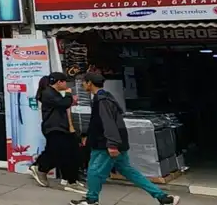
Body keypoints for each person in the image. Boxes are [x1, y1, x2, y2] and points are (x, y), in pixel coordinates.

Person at [71, 73, 179, 205]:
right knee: (129, 172)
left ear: (89, 83)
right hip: (114, 142)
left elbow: (108, 123)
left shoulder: (102, 100)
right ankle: (163, 197)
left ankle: (91, 200)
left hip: (105, 144)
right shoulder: (107, 97)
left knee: (94, 171)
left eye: (83, 82)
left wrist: (112, 144)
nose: (82, 85)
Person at [30, 72, 85, 194]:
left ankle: (68, 178)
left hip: (61, 127)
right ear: (59, 82)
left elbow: (63, 105)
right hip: (54, 128)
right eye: (65, 82)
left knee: (65, 152)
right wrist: (69, 94)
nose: (67, 85)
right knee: (59, 153)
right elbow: (63, 103)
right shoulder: (48, 93)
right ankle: (42, 168)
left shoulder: (54, 93)